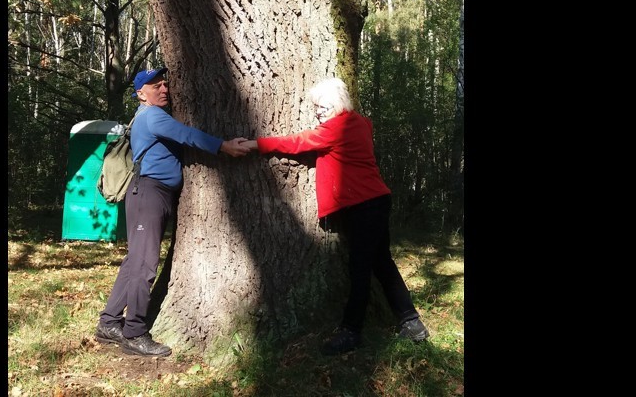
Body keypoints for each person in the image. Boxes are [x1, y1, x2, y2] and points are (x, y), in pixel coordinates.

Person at [242, 77, 430, 355]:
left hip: (365, 205)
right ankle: (412, 323)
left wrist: (256, 144)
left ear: (338, 103)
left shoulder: (338, 128)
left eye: (323, 106)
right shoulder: (360, 123)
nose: (318, 111)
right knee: (381, 263)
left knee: (361, 268)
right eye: (316, 106)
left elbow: (298, 142)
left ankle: (351, 332)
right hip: (375, 200)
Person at [95, 67, 251, 357]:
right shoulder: (153, 116)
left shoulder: (149, 116)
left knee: (135, 262)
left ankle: (109, 323)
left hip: (152, 193)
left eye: (165, 84)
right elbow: (187, 135)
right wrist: (224, 146)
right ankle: (134, 333)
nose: (164, 89)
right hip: (149, 194)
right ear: (141, 93)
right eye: (156, 86)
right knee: (144, 265)